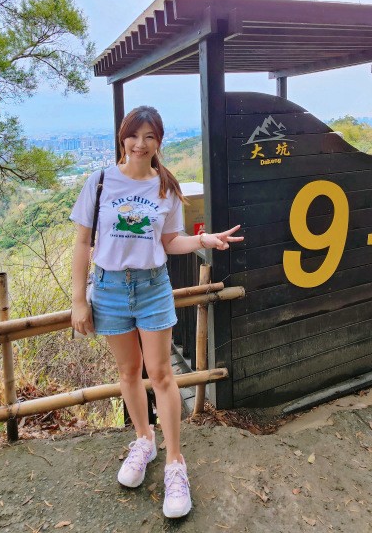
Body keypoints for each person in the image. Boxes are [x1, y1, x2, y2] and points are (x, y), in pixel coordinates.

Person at [70, 106, 243, 519]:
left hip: (152, 287)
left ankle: (175, 463)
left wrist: (207, 240)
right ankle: (144, 440)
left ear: (159, 142)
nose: (140, 144)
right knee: (129, 373)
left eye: (149, 137)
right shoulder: (98, 182)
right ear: (122, 138)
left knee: (162, 375)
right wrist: (79, 300)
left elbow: (170, 241)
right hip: (109, 287)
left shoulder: (165, 186)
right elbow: (82, 244)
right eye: (134, 135)